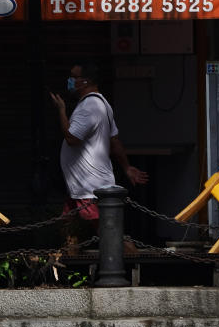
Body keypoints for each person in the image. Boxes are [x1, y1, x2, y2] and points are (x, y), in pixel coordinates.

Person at [49, 62, 148, 248]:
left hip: (90, 185)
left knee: (109, 233)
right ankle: (68, 267)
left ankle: (135, 264)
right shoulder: (102, 103)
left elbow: (71, 138)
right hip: (80, 184)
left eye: (74, 77)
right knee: (69, 227)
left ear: (85, 81)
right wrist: (126, 167)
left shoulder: (90, 107)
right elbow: (115, 141)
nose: (70, 81)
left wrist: (61, 110)